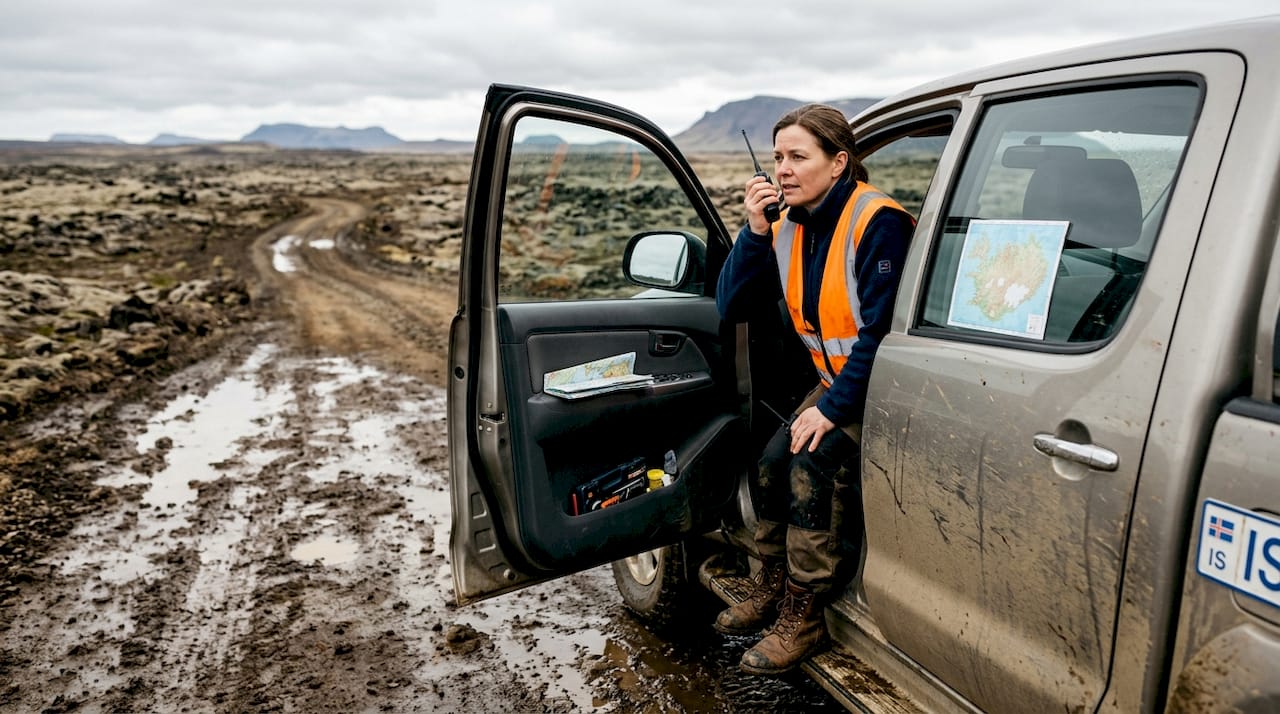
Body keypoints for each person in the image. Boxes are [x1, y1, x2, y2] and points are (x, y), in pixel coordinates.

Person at [713, 104, 914, 675]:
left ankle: (804, 613)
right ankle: (772, 585)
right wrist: (754, 230)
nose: (783, 169)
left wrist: (830, 408)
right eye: (777, 157)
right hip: (836, 379)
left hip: (880, 384)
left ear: (839, 161)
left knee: (809, 462)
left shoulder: (878, 222)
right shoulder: (784, 222)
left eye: (798, 157)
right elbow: (733, 306)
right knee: (772, 459)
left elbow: (881, 335)